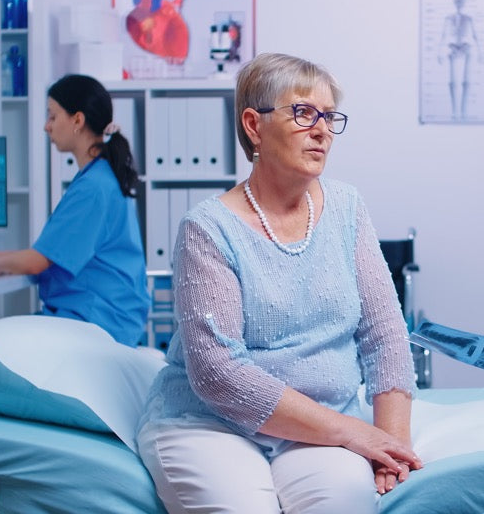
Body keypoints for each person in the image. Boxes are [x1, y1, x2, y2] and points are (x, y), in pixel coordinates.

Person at [136, 53, 421, 513]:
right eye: (304, 112)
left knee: (343, 501)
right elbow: (217, 373)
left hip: (316, 431)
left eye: (329, 117)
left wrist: (392, 447)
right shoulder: (207, 229)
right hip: (209, 422)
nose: (322, 130)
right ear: (254, 125)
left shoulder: (347, 209)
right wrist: (353, 431)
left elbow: (385, 335)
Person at [0, 74, 149, 347]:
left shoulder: (94, 188)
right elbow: (47, 255)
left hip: (96, 322)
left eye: (53, 117)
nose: (46, 126)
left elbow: (37, 262)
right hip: (98, 316)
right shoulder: (98, 178)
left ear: (77, 120)